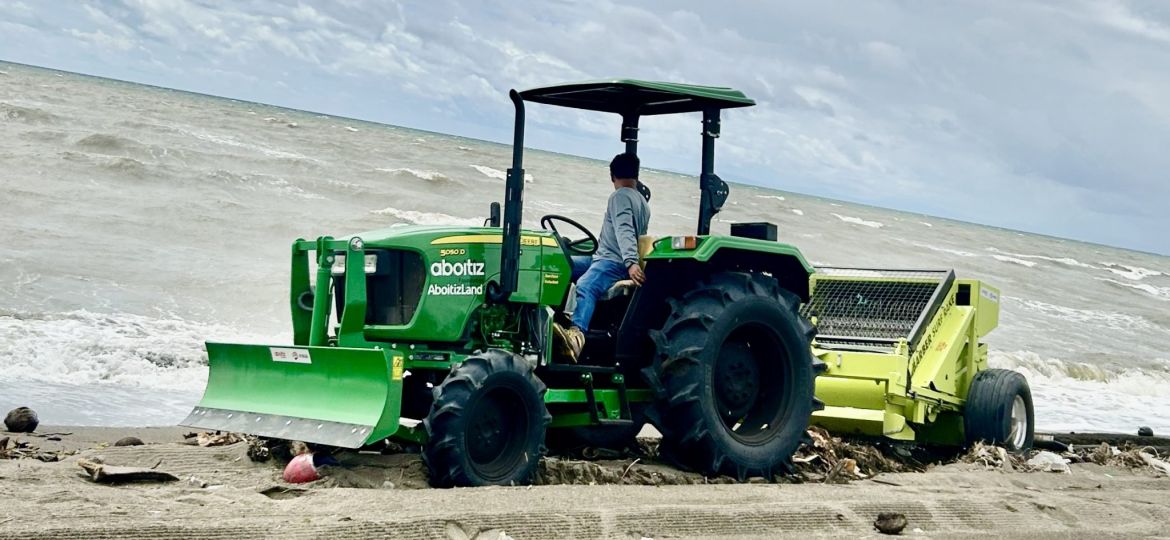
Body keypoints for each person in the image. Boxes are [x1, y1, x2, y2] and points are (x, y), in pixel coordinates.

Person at [554, 152, 650, 361]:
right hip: (602, 258)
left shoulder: (620, 196)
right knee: (560, 265)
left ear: (612, 175)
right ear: (636, 175)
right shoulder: (642, 201)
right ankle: (556, 320)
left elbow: (625, 230)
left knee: (586, 285)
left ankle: (576, 335)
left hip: (613, 262)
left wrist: (631, 263)